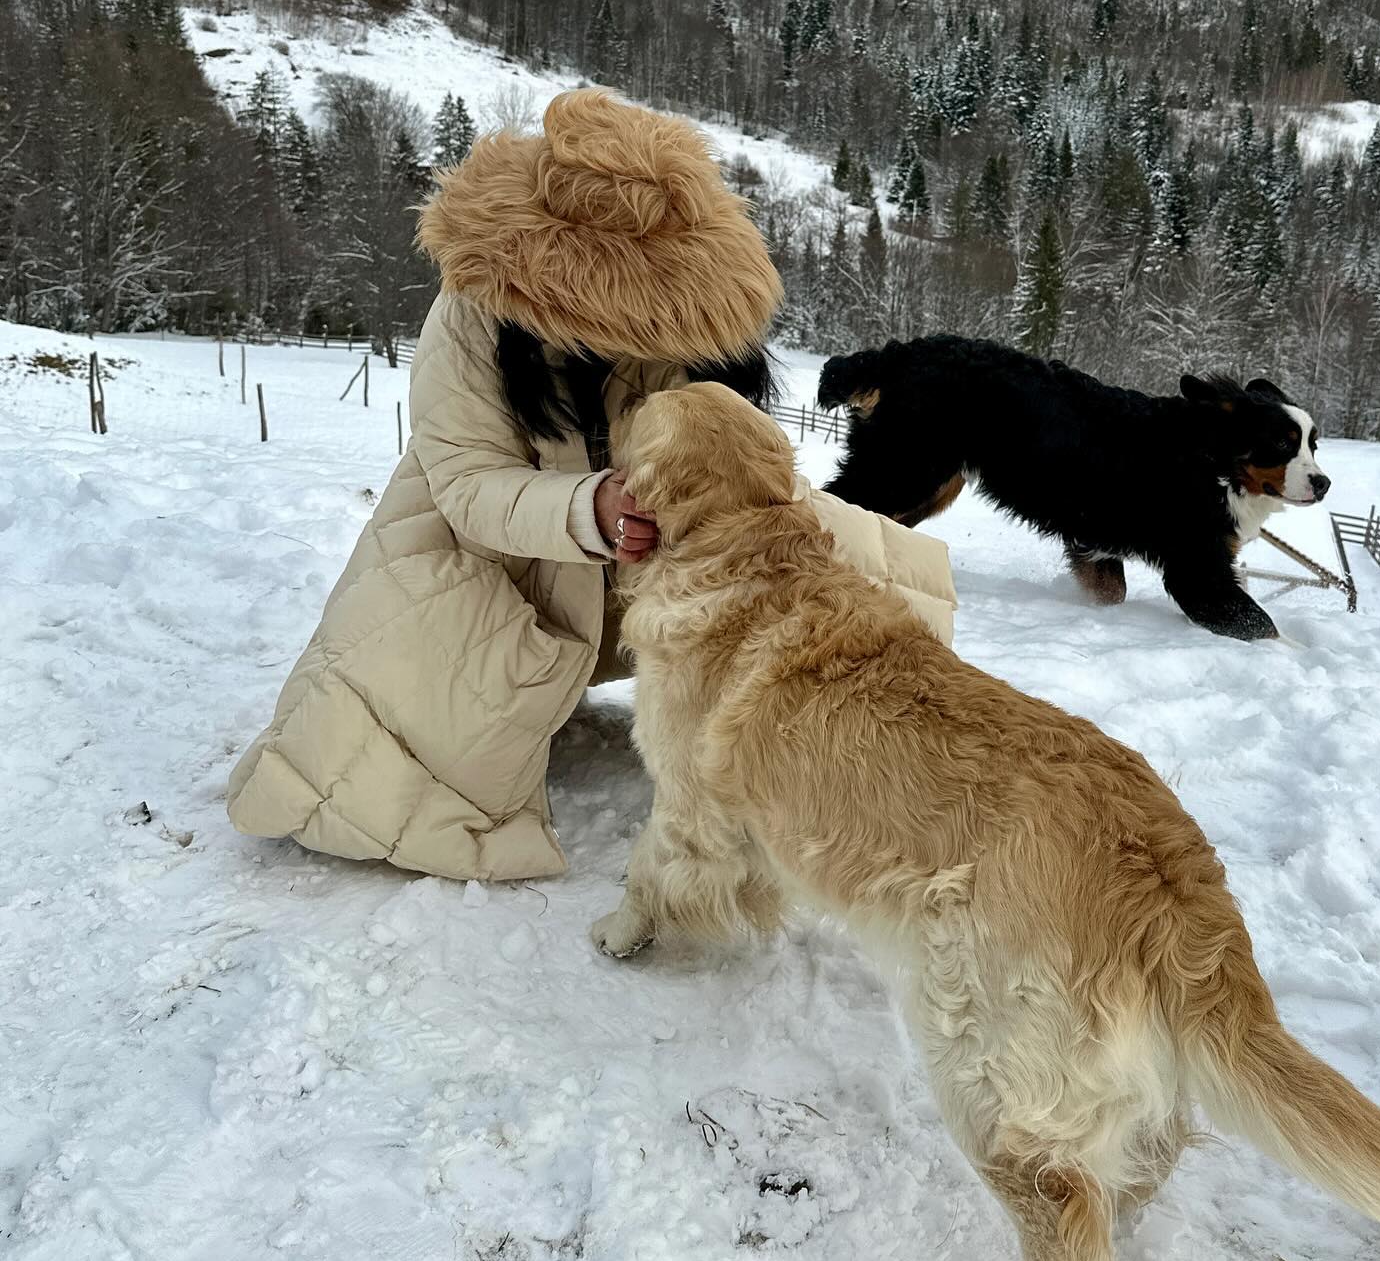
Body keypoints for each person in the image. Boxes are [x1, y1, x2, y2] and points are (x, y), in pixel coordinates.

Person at [227, 89, 955, 882]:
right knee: (376, 750)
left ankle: (895, 753)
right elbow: (468, 483)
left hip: (640, 556)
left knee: (844, 568)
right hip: (495, 553)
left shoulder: (689, 318)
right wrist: (588, 509)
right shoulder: (474, 311)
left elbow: (738, 458)